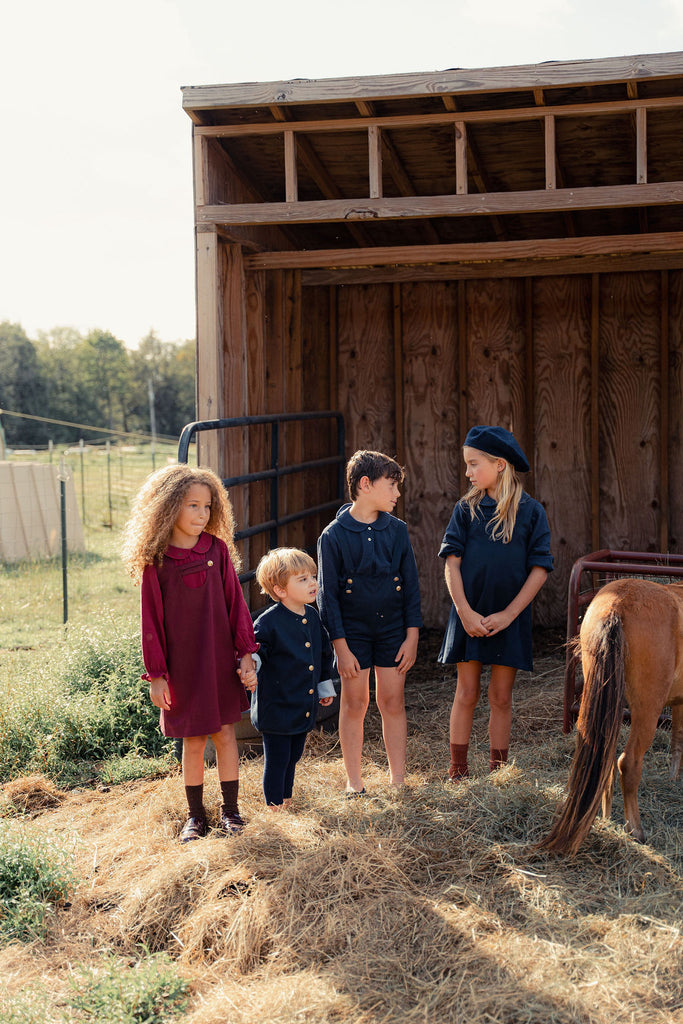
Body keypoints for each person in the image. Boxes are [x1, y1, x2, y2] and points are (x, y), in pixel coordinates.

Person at [122, 464, 258, 843]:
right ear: (168, 508)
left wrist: (246, 654)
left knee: (225, 734)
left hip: (217, 661)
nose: (202, 515)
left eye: (208, 507)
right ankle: (195, 817)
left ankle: (231, 811)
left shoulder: (216, 550)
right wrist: (157, 675)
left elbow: (236, 606)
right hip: (182, 667)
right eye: (193, 506)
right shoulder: (157, 562)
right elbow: (150, 624)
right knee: (194, 741)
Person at [438, 425, 553, 781]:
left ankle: (498, 772)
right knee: (467, 691)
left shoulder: (531, 512)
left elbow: (540, 568)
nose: (468, 472)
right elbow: (451, 563)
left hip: (509, 618)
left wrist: (508, 614)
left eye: (474, 464)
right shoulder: (466, 509)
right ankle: (458, 769)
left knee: (501, 696)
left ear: (500, 464)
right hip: (469, 615)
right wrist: (465, 612)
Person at [317, 450, 422, 795]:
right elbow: (327, 598)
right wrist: (341, 648)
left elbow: (410, 587)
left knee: (392, 701)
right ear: (365, 484)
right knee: (355, 703)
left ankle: (398, 782)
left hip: (393, 630)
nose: (397, 494)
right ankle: (354, 783)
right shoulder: (333, 536)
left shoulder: (397, 531)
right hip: (353, 635)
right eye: (391, 485)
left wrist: (412, 636)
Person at [250, 548, 336, 809]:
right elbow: (256, 652)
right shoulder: (268, 623)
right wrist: (250, 665)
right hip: (276, 708)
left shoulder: (312, 617)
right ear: (280, 590)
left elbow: (323, 653)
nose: (313, 583)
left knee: (294, 756)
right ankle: (274, 806)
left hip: (302, 707)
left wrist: (323, 687)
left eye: (313, 576)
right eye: (303, 579)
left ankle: (286, 800)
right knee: (277, 759)